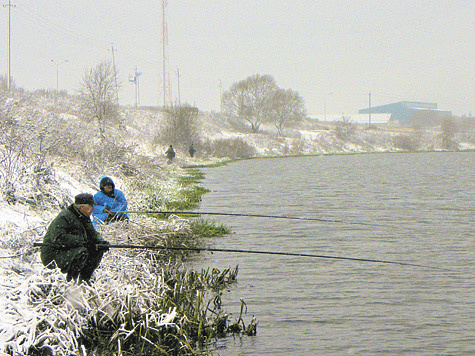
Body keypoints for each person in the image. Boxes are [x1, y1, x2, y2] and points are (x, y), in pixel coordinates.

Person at [40, 193, 110, 283]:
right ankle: (71, 281)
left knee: (96, 250)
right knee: (82, 252)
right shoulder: (64, 217)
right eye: (91, 206)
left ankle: (84, 281)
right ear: (82, 208)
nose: (93, 208)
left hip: (68, 250)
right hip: (53, 254)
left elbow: (93, 234)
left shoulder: (84, 217)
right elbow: (58, 238)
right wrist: (83, 241)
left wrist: (101, 242)